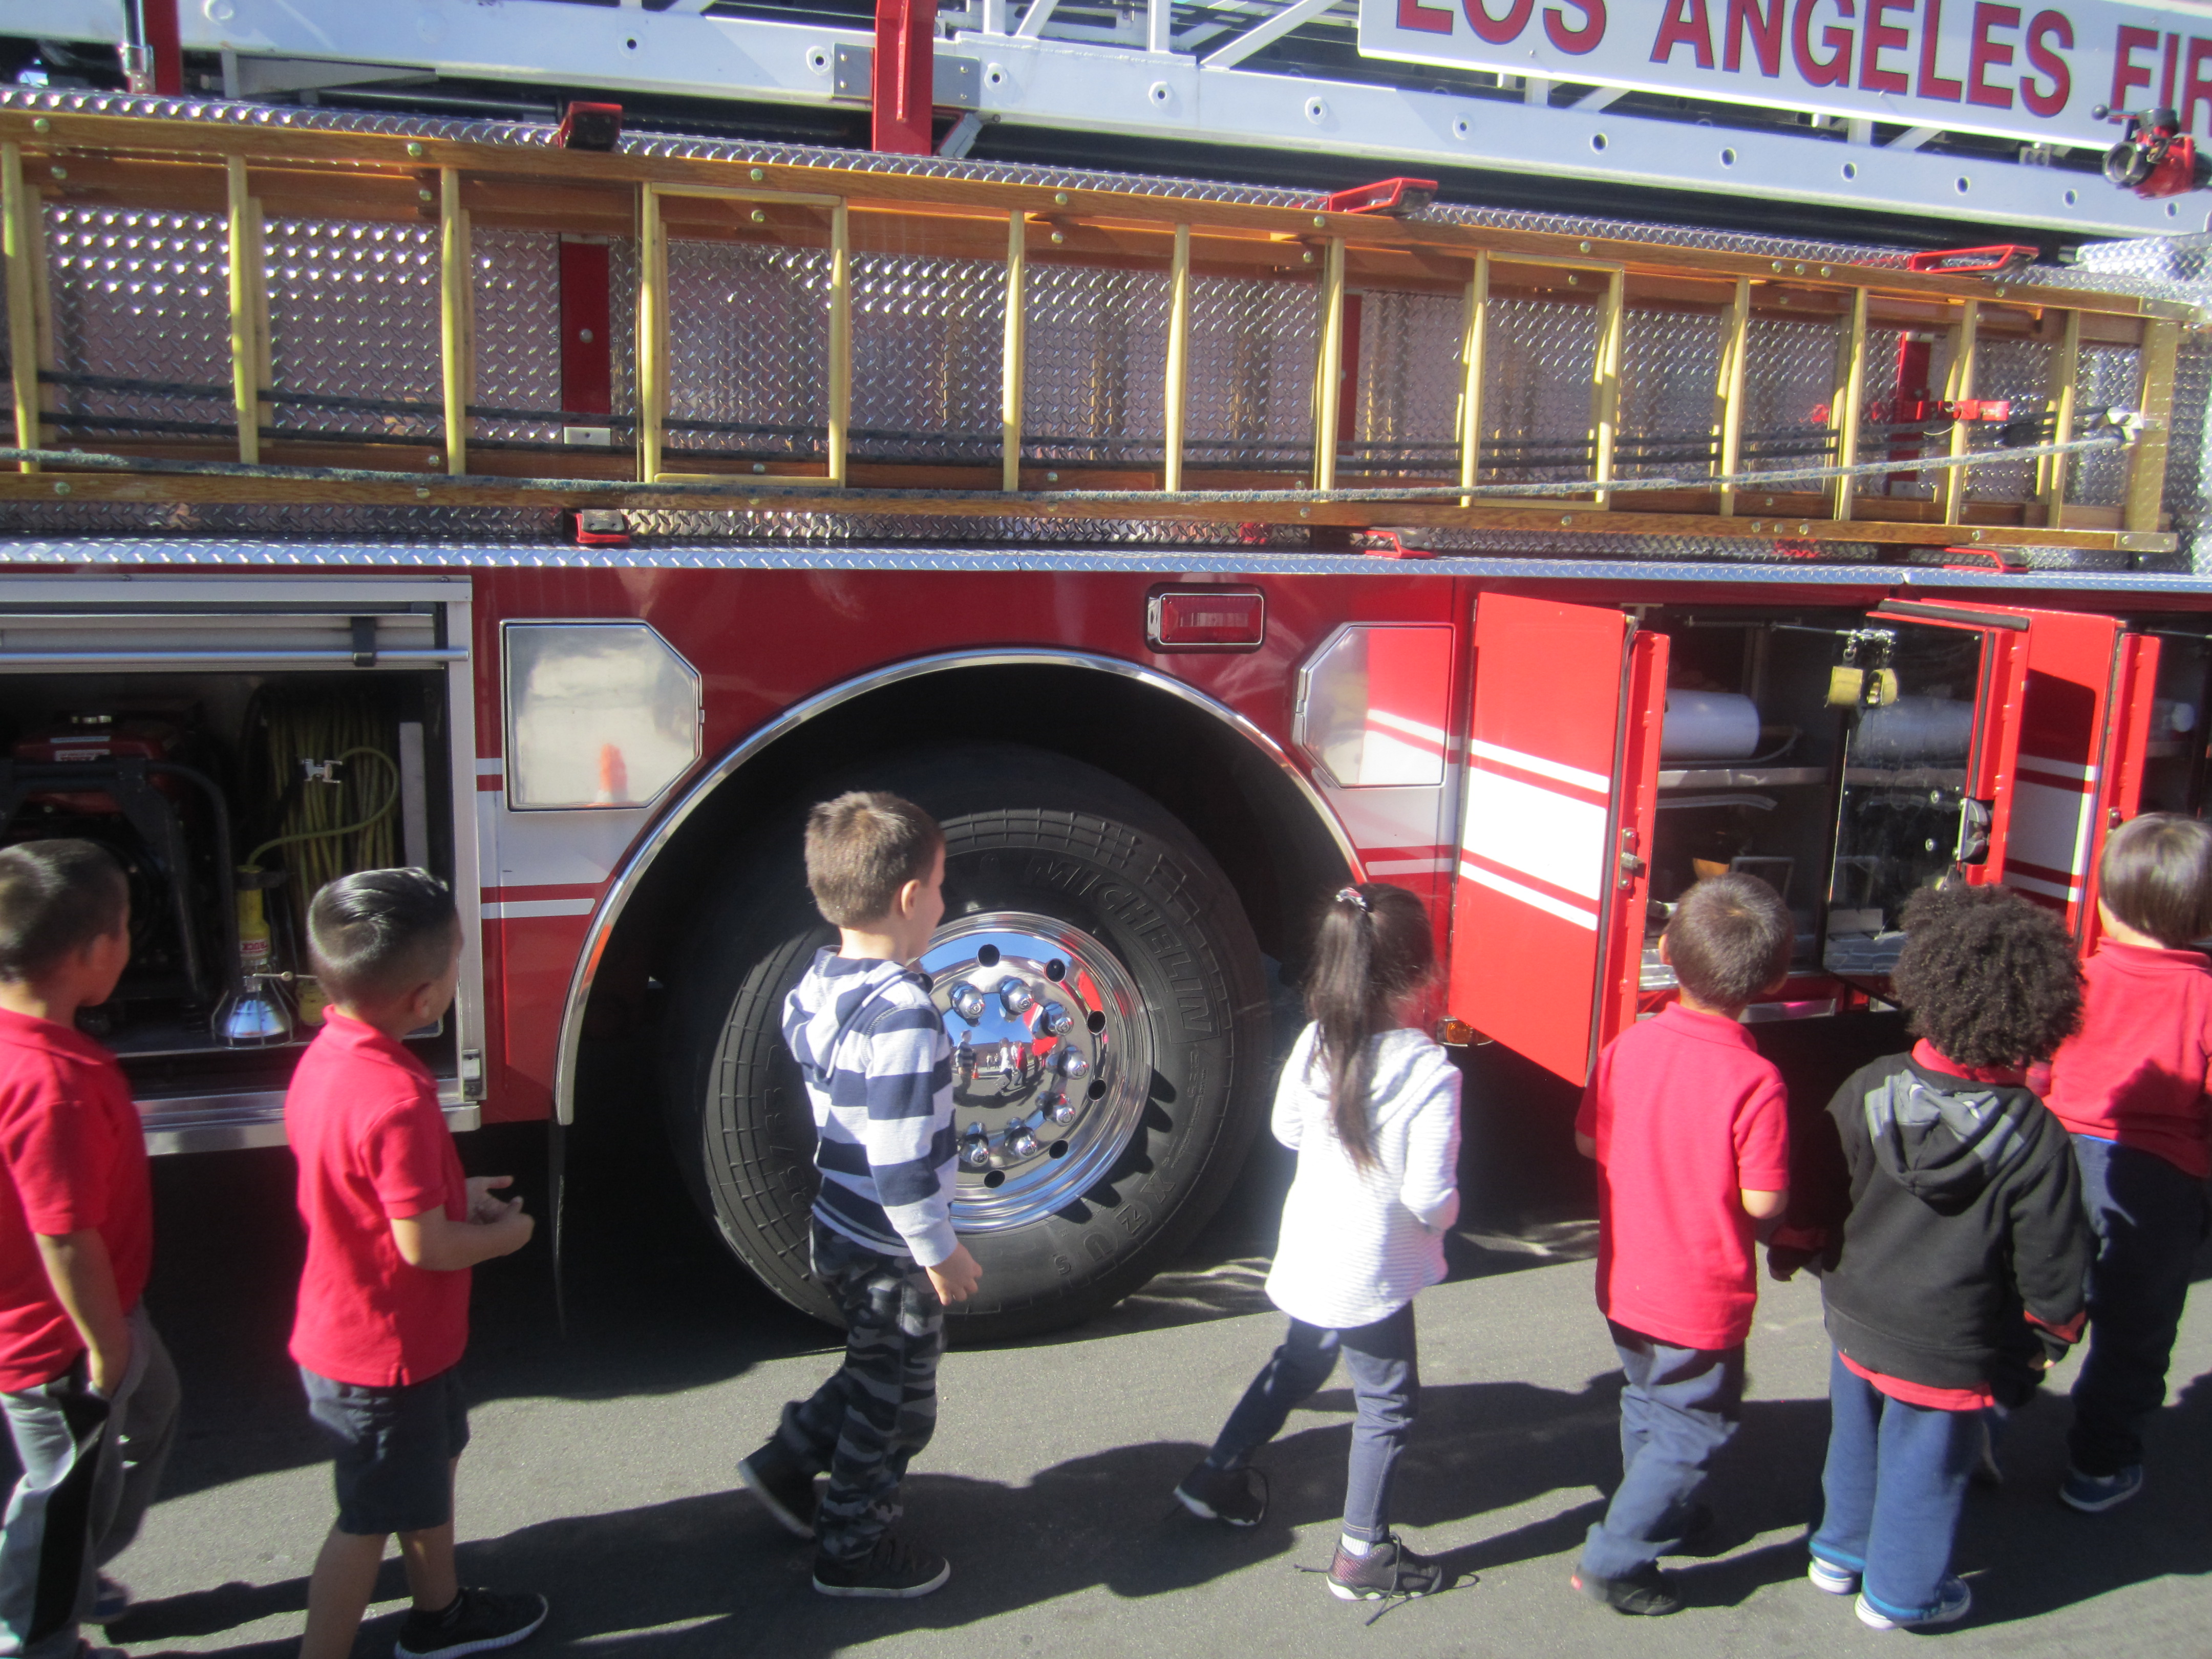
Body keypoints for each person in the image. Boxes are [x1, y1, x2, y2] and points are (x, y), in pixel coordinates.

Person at [1795, 883, 2089, 1632]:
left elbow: (1822, 1183)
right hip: (1950, 1341)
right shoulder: (2035, 1135)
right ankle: (1901, 1593)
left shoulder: (1870, 1085)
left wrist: (1800, 1245)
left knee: (1855, 1437)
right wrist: (2052, 1329)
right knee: (1926, 1465)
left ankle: (1838, 1551)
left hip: (1857, 1310)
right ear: (2039, 1011)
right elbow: (2052, 1253)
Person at [1172, 883, 1460, 1604]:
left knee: (1299, 1362)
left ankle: (1216, 1477)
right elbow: (1429, 1197)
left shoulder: (1314, 1043)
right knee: (1388, 1404)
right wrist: (1444, 1221)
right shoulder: (1429, 1072)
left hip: (1313, 1250)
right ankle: (1363, 1554)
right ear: (1421, 971)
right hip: (1371, 1273)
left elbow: (1287, 1131)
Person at [286, 869, 544, 1659]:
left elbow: (361, 1189)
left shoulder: (330, 1058)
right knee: (367, 1520)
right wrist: (507, 1238)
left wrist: (452, 1193)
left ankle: (441, 1613)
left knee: (426, 1474)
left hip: (371, 1339)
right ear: (425, 996)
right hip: (385, 1357)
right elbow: (422, 1246)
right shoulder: (397, 1098)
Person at [737, 792, 979, 1600]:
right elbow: (900, 1162)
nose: (943, 901)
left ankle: (788, 1462)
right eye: (939, 886)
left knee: (878, 1370)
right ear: (910, 898)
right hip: (889, 1245)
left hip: (839, 1225)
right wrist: (939, 1252)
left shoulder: (818, 983)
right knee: (898, 1409)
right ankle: (851, 1549)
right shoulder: (903, 1014)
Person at [1570, 873, 1793, 1618]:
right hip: (1698, 1295)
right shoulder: (1756, 1079)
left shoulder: (1626, 1047)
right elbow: (1763, 1201)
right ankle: (1617, 1558)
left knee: (1647, 1399)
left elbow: (1587, 1140)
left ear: (1666, 951)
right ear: (1776, 979)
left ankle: (1663, 1509)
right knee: (1695, 1423)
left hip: (1626, 1279)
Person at [0, 840, 179, 1659]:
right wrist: (105, 1345)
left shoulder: (34, 1049)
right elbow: (64, 1235)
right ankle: (39, 1632)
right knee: (62, 1494)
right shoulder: (54, 1086)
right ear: (97, 951)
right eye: (127, 927)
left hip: (93, 1318)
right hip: (64, 1340)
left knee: (153, 1413)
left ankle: (71, 1571)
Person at [2041, 813, 2212, 1514]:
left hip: (2055, 1166)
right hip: (2160, 1185)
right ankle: (2099, 1466)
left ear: (2105, 905)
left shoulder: (2078, 979)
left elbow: (2036, 1069)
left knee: (2030, 1306)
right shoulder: (2206, 997)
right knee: (2135, 1334)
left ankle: (1976, 1427)